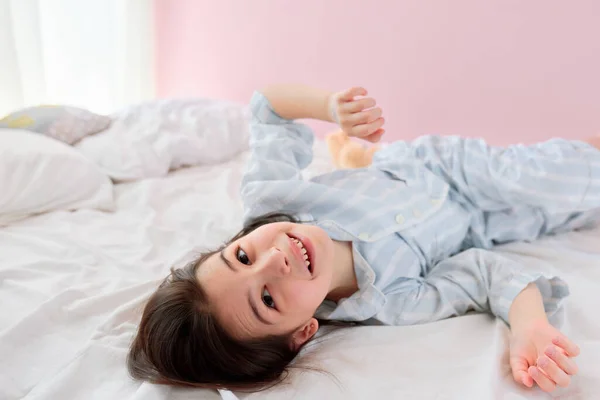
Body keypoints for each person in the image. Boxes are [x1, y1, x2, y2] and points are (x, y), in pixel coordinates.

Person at [127, 84, 600, 393]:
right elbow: (484, 273)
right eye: (268, 299)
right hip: (484, 226)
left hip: (442, 167)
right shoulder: (387, 300)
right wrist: (531, 326)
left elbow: (268, 109)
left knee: (559, 177)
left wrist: (330, 109)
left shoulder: (273, 201)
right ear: (302, 333)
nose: (273, 259)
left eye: (242, 255)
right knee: (566, 211)